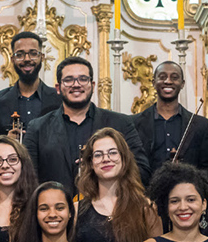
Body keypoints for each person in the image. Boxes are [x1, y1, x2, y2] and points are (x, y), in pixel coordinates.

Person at [23, 56, 151, 195]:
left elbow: (142, 171)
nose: (76, 84)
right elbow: (27, 178)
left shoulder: (121, 123)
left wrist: (107, 167)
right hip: (57, 212)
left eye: (83, 79)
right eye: (69, 79)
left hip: (109, 210)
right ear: (58, 88)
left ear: (93, 85)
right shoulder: (37, 128)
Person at [131, 61, 208, 176]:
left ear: (182, 84)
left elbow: (206, 169)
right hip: (145, 192)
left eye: (174, 77)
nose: (168, 81)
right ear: (153, 83)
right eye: (162, 77)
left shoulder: (202, 125)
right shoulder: (133, 124)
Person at [0, 31, 61, 140]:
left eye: (33, 53)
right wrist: (6, 141)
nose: (27, 59)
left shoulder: (58, 98)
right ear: (12, 60)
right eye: (20, 54)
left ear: (42, 57)